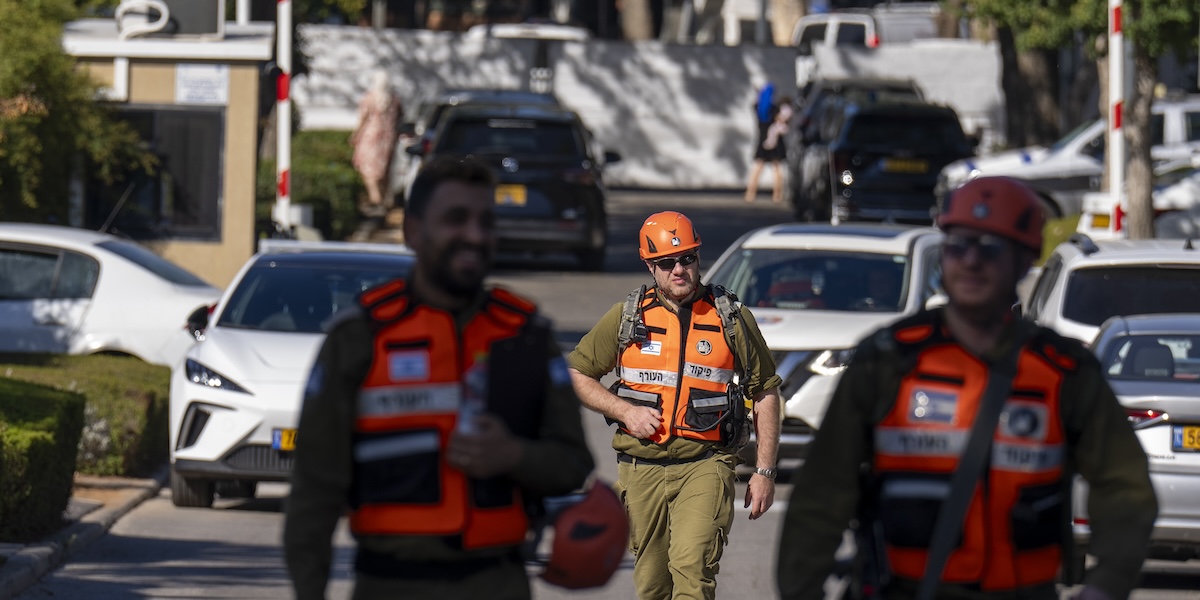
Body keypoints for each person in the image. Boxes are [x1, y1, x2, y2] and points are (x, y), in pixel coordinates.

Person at [777, 176, 1158, 600]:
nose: (971, 261)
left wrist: (1106, 586)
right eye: (958, 246)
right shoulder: (886, 361)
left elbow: (1125, 487)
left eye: (991, 248)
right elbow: (822, 493)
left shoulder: (1065, 372)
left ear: (1025, 259)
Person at [283, 156, 595, 600]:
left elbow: (573, 464)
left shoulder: (526, 336)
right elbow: (313, 495)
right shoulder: (360, 339)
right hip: (389, 585)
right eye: (456, 219)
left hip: (498, 584)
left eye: (485, 220)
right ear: (413, 231)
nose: (474, 234)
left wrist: (513, 456)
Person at [568, 210, 783, 600]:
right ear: (650, 265)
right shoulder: (627, 317)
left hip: (705, 463)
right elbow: (576, 374)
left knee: (692, 569)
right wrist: (625, 411)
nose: (679, 270)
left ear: (699, 257)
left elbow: (765, 390)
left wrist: (765, 470)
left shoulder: (730, 318)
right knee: (651, 588)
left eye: (688, 258)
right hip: (640, 470)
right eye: (667, 263)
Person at [350, 69, 404, 216]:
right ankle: (385, 199)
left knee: (366, 166)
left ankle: (376, 198)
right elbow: (401, 117)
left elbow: (363, 118)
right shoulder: (394, 99)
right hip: (388, 138)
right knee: (384, 168)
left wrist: (356, 135)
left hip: (371, 136)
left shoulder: (370, 98)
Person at [745, 89, 790, 204]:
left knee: (757, 169)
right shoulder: (775, 109)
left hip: (762, 141)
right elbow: (783, 118)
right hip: (776, 144)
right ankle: (777, 195)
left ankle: (750, 193)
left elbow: (756, 104)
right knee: (777, 169)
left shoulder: (759, 108)